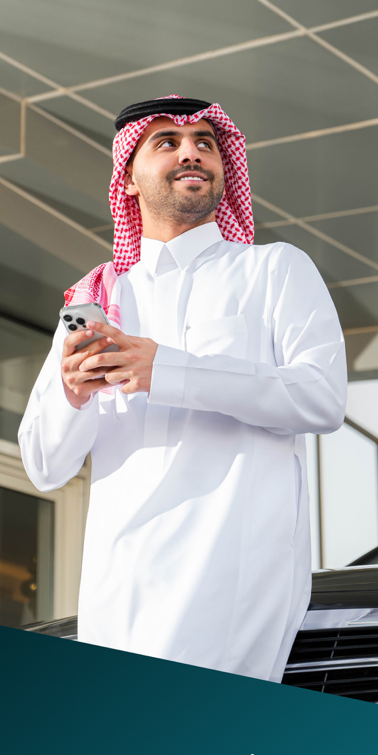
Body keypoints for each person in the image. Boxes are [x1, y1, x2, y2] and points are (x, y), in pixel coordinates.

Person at [19, 95, 347, 682]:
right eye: (167, 142)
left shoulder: (273, 270)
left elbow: (321, 396)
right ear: (128, 180)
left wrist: (166, 370)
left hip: (231, 575)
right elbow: (43, 466)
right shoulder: (94, 297)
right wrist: (70, 394)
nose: (191, 153)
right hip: (118, 585)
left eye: (206, 143)